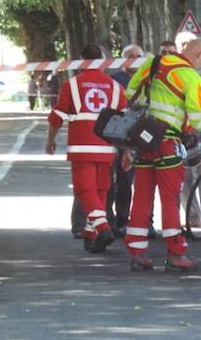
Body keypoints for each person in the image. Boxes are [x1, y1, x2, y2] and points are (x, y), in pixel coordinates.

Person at [122, 38, 201, 271]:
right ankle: (176, 254)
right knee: (170, 198)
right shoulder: (190, 77)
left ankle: (136, 252)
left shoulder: (153, 63)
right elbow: (197, 119)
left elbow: (130, 92)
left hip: (145, 139)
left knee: (142, 195)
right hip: (169, 141)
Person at [46, 44, 127, 253]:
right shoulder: (116, 87)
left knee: (84, 191)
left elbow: (57, 117)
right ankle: (92, 237)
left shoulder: (72, 85)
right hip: (107, 149)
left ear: (81, 59)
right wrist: (127, 151)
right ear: (102, 60)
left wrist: (51, 140)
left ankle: (102, 227)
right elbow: (125, 122)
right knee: (100, 190)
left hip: (82, 147)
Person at [106, 44, 145, 237]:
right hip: (117, 135)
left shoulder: (147, 81)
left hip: (138, 137)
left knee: (130, 181)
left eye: (139, 56)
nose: (135, 59)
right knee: (111, 181)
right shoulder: (114, 81)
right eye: (131, 56)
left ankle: (126, 219)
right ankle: (109, 220)